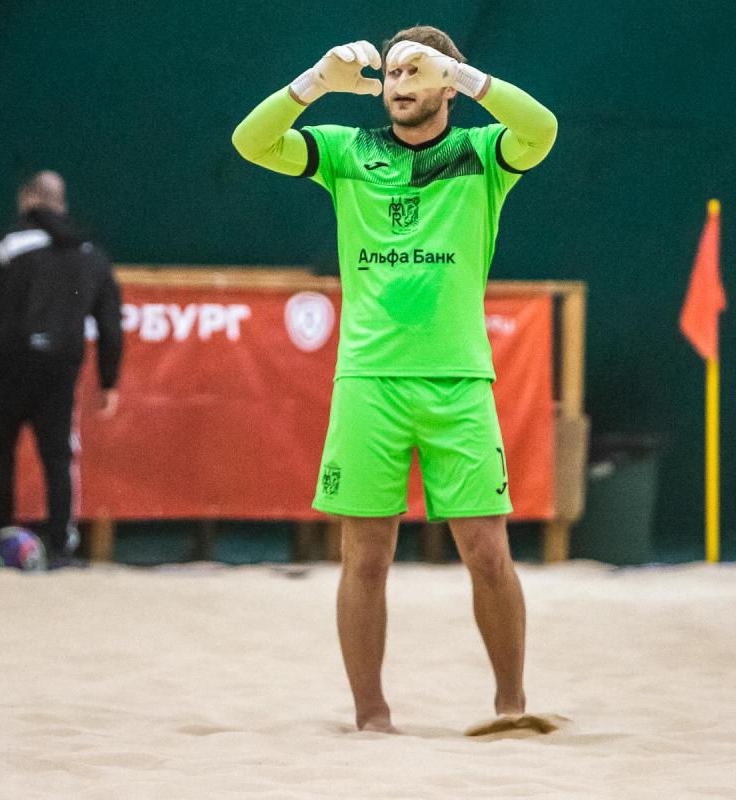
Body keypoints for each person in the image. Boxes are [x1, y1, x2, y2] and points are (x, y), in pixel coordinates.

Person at [233, 26, 558, 733]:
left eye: (417, 71)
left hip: (458, 382)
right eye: (394, 73)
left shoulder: (482, 155)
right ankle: (372, 717)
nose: (399, 85)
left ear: (447, 84)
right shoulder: (348, 151)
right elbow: (250, 143)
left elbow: (542, 129)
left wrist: (464, 75)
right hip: (369, 382)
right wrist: (314, 83)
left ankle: (511, 706)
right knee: (365, 559)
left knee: (488, 555)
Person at [0, 171, 123, 563]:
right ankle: (62, 542)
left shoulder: (7, 245)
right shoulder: (90, 252)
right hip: (62, 364)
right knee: (58, 454)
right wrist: (108, 379)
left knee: (2, 451)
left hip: (10, 359)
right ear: (62, 203)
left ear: (26, 199)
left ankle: (1, 536)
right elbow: (110, 322)